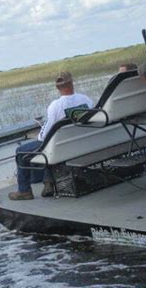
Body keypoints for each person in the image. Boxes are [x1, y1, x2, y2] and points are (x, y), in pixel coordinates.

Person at [8, 71, 94, 200]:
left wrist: (39, 136)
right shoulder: (86, 99)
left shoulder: (56, 105)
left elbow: (44, 136)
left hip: (61, 147)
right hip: (81, 142)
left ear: (57, 87)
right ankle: (48, 181)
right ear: (72, 83)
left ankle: (24, 191)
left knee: (22, 151)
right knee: (49, 146)